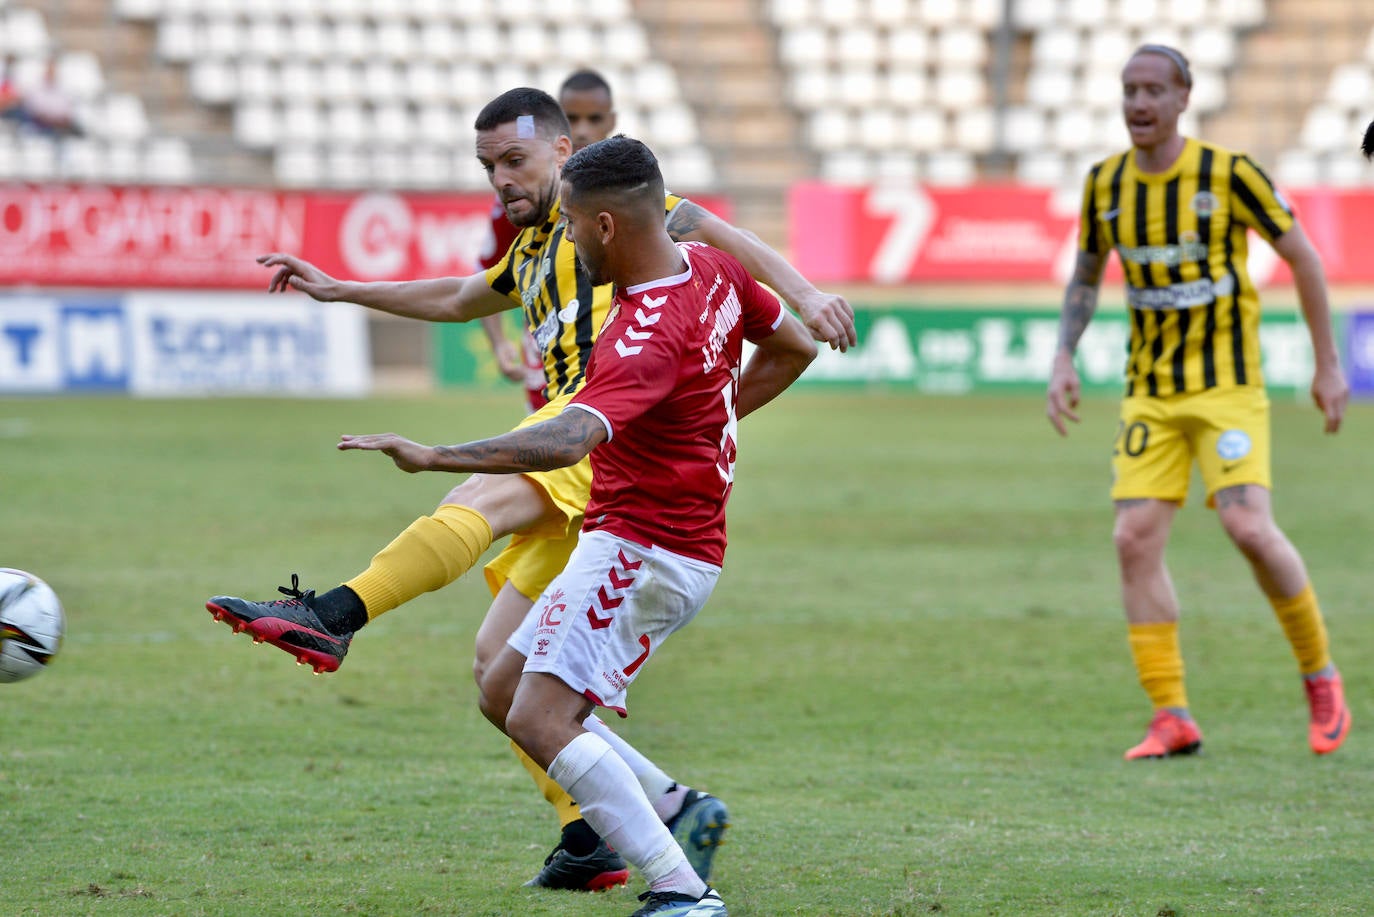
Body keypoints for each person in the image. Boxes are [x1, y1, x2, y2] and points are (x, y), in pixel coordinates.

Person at [206, 87, 855, 890]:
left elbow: (731, 241)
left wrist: (805, 295)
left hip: (588, 422)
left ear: (563, 156)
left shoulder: (635, 222)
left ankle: (336, 613)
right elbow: (453, 297)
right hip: (599, 452)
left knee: (474, 501)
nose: (501, 181)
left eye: (515, 161)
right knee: (498, 675)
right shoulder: (536, 250)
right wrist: (341, 289)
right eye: (487, 167)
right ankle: (624, 823)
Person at [338, 133, 816, 917]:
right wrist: (710, 421)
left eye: (569, 221)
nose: (560, 236)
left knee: (538, 713)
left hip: (645, 547)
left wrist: (436, 457)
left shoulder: (642, 331)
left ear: (603, 228)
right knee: (502, 689)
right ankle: (673, 804)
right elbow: (793, 344)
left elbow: (571, 435)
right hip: (651, 535)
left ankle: (683, 890)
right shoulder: (717, 269)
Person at [1045, 44, 1351, 760]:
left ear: (1184, 98)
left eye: (1153, 90)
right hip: (1151, 393)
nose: (1139, 104)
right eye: (1128, 90)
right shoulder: (1106, 185)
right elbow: (1086, 273)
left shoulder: (1229, 174)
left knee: (1247, 525)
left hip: (1228, 388)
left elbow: (1303, 255)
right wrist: (1064, 354)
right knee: (1132, 540)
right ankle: (1171, 713)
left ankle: (1320, 674)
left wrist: (1327, 362)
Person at [478, 69, 619, 413]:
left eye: (594, 118)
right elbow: (484, 276)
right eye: (572, 118)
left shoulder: (630, 187)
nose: (583, 128)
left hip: (612, 361)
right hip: (545, 359)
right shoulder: (518, 202)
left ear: (611, 121)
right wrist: (499, 343)